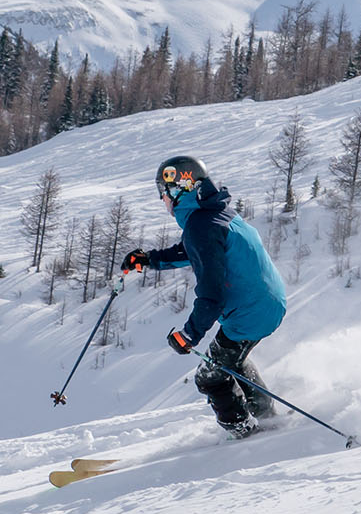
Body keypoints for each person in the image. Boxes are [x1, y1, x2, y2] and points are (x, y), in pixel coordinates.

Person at [122, 155, 286, 437]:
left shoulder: (201, 225)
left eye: (163, 192)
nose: (162, 200)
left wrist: (190, 334)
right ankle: (267, 418)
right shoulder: (216, 214)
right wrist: (149, 259)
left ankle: (246, 434)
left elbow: (212, 294)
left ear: (180, 188)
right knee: (230, 362)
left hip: (248, 313)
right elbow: (195, 251)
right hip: (267, 304)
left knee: (209, 376)